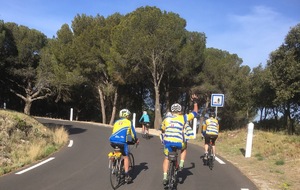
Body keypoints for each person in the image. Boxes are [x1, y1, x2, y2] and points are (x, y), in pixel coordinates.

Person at [160, 95, 198, 186]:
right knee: (184, 147)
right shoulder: (184, 117)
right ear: (180, 111)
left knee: (166, 158)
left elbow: (162, 130)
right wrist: (195, 102)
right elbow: (195, 113)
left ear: (172, 111)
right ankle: (181, 164)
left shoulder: (166, 119)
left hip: (168, 143)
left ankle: (165, 177)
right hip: (179, 143)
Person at [109, 108, 139, 183]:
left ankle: (113, 165)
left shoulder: (116, 122)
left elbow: (114, 131)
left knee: (116, 151)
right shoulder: (129, 122)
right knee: (126, 157)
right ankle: (126, 175)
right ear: (127, 115)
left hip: (112, 140)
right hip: (122, 142)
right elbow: (133, 134)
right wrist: (135, 140)